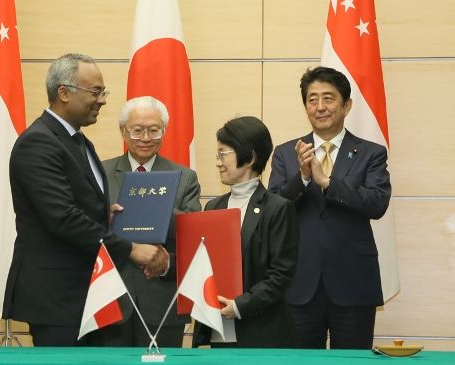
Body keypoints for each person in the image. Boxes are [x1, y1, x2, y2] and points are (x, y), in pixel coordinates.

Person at [2, 53, 169, 347]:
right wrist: (131, 249)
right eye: (95, 91)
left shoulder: (78, 141)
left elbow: (74, 207)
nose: (102, 100)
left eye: (102, 92)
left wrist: (105, 215)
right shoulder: (38, 142)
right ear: (63, 93)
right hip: (57, 299)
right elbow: (62, 218)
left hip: (88, 294)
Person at [268, 66, 391, 349]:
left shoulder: (371, 152)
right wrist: (302, 178)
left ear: (346, 105)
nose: (320, 107)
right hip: (299, 284)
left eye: (328, 98)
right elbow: (274, 211)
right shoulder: (287, 153)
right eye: (312, 100)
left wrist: (327, 182)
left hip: (353, 283)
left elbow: (377, 203)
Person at [96, 96, 201, 347]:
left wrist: (165, 262)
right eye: (137, 130)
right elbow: (82, 230)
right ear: (123, 131)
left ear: (164, 131)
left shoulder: (185, 178)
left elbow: (193, 241)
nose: (145, 138)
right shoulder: (99, 173)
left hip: (162, 302)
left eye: (154, 130)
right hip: (109, 298)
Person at [193, 116, 298, 348]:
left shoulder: (278, 208)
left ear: (249, 157)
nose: (218, 162)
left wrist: (241, 306)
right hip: (220, 328)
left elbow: (281, 275)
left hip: (262, 332)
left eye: (223, 154)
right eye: (217, 155)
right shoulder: (213, 207)